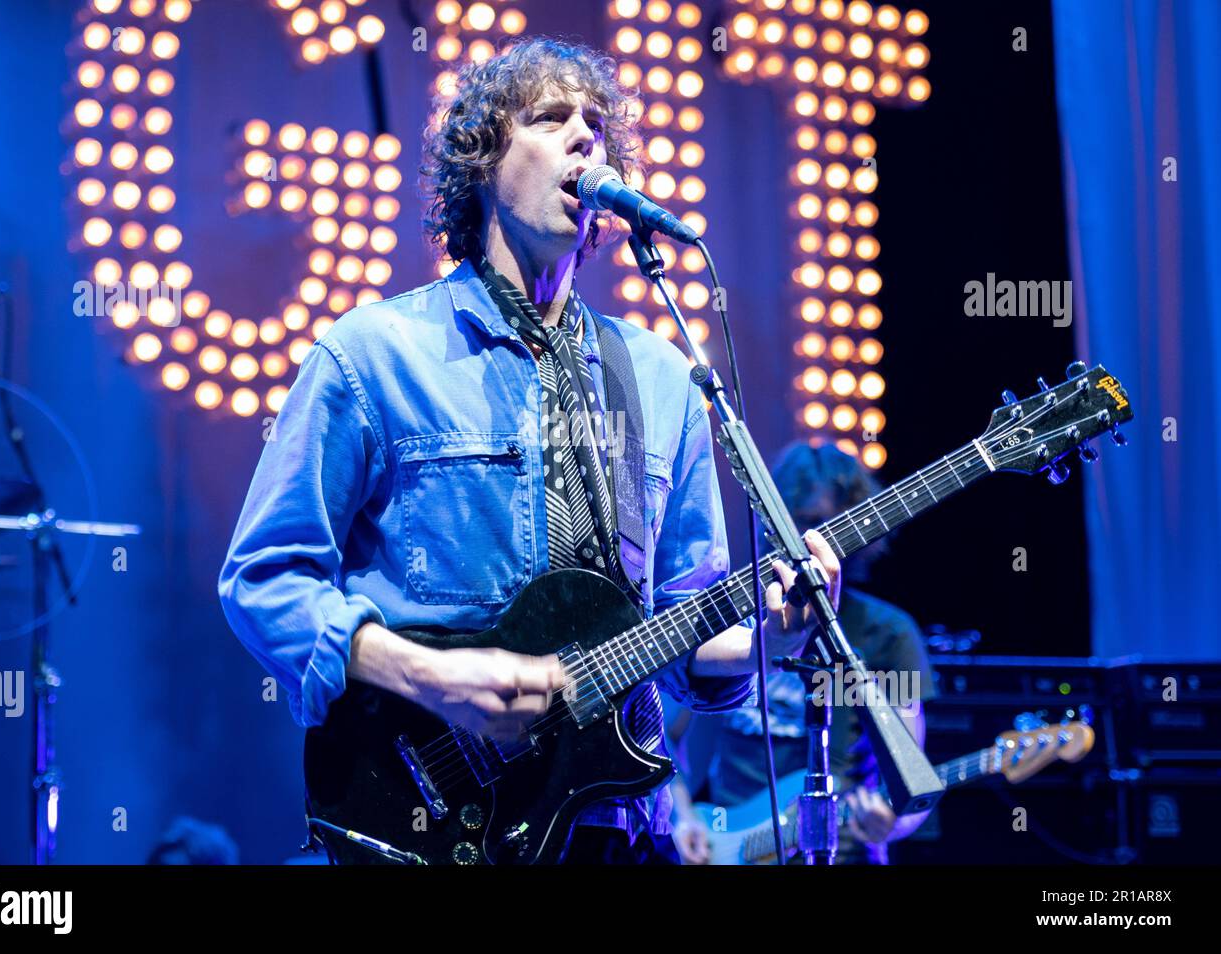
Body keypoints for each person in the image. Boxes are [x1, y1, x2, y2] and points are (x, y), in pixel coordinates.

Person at [218, 37, 839, 865]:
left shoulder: (662, 376)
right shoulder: (374, 354)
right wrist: (424, 674)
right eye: (551, 118)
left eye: (597, 124)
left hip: (621, 830)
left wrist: (772, 634)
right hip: (427, 821)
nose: (586, 137)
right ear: (481, 162)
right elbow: (262, 578)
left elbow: (687, 639)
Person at [669, 442, 936, 865]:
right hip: (729, 847)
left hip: (842, 851)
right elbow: (666, 734)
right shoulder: (732, 625)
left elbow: (909, 776)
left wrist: (892, 820)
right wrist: (681, 816)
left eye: (831, 526)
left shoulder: (888, 633)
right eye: (803, 524)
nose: (814, 544)